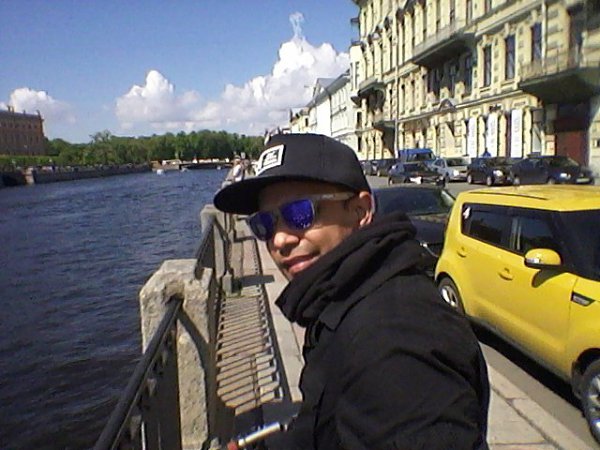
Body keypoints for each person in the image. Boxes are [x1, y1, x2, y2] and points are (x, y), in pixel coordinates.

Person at [213, 133, 490, 450]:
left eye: (299, 213)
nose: (279, 239)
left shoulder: (398, 339)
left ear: (360, 211)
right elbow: (326, 429)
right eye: (265, 223)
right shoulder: (345, 298)